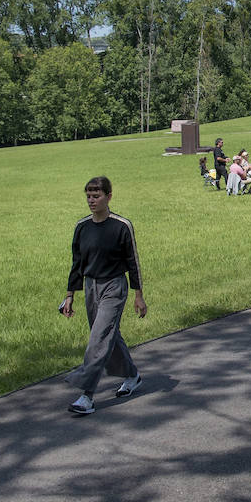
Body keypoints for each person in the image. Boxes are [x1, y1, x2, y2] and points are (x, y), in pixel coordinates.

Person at [61, 176, 147, 416]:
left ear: (109, 196)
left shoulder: (121, 226)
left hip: (114, 287)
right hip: (91, 287)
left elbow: (133, 263)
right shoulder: (82, 227)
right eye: (88, 196)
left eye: (96, 196)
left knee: (99, 338)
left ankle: (86, 395)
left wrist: (138, 295)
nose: (91, 200)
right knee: (109, 335)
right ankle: (132, 375)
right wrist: (70, 295)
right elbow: (77, 264)